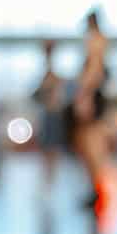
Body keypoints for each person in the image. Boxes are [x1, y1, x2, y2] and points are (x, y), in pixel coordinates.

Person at [69, 12, 110, 207]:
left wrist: (84, 94)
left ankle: (96, 189)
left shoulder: (96, 41)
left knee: (91, 142)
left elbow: (95, 71)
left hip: (91, 95)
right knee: (89, 143)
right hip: (93, 94)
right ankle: (94, 188)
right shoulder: (98, 41)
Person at [33, 41, 67, 170]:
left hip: (53, 115)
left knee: (52, 152)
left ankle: (49, 176)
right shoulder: (48, 75)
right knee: (48, 152)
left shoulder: (52, 75)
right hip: (49, 115)